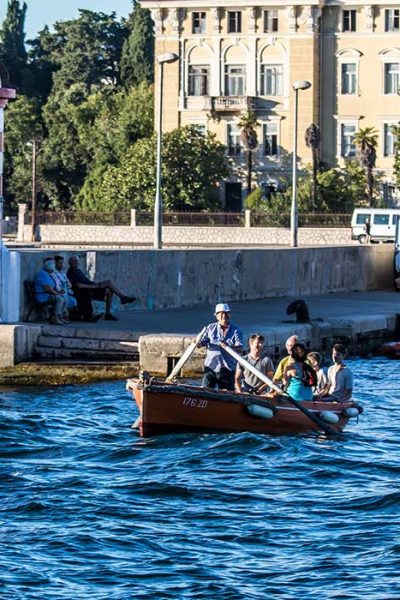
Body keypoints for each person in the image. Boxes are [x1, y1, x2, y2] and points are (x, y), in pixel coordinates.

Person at [67, 255, 136, 322]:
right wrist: (92, 286)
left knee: (109, 290)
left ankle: (108, 313)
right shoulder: (71, 272)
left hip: (91, 286)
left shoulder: (78, 270)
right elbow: (79, 285)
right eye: (73, 261)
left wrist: (94, 284)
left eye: (76, 261)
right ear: (69, 263)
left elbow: (87, 281)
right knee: (108, 282)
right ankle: (122, 297)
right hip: (86, 290)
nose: (75, 262)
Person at [198, 303, 244, 391]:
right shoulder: (210, 328)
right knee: (205, 391)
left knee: (228, 394)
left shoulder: (236, 331)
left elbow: (240, 349)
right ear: (216, 316)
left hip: (227, 369)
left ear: (229, 315)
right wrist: (197, 344)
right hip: (211, 368)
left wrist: (228, 347)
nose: (224, 316)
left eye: (226, 313)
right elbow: (203, 342)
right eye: (221, 313)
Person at [34, 257, 68, 325]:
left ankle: (59, 316)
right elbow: (47, 288)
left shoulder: (50, 274)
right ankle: (55, 318)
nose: (53, 265)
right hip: (42, 296)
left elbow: (54, 285)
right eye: (51, 264)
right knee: (59, 299)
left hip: (48, 294)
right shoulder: (42, 274)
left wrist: (60, 291)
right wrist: (57, 294)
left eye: (53, 264)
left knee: (64, 298)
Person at [54, 255, 78, 320]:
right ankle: (61, 316)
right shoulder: (54, 272)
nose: (61, 265)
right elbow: (60, 282)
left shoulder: (62, 272)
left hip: (67, 290)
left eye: (62, 263)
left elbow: (68, 282)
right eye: (59, 263)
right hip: (59, 291)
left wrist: (67, 284)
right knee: (63, 299)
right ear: (55, 263)